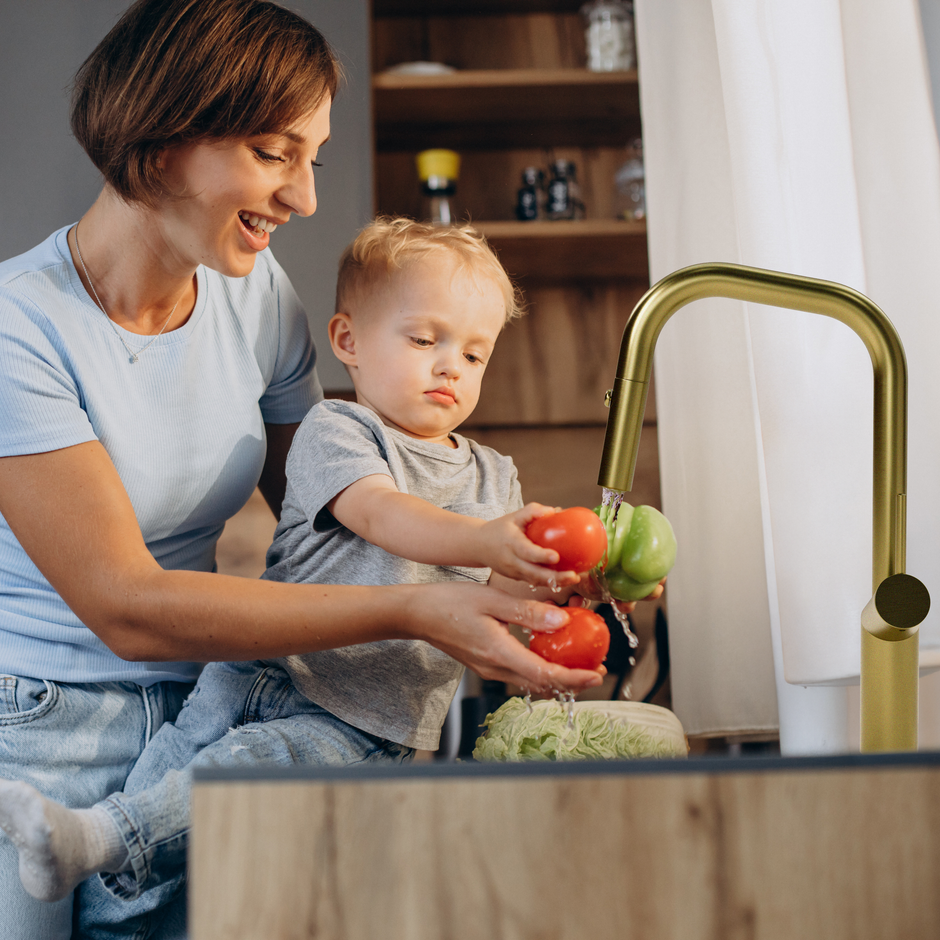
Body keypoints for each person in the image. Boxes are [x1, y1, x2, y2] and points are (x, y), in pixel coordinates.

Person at [0, 3, 605, 937]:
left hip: (220, 709)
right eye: (276, 153)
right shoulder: (19, 330)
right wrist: (418, 610)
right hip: (43, 730)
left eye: (312, 158)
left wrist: (529, 587)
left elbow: (342, 514)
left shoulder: (257, 297)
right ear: (163, 142)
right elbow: (125, 607)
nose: (306, 198)